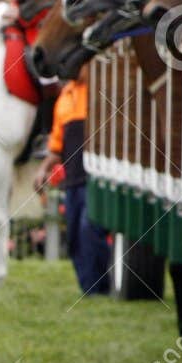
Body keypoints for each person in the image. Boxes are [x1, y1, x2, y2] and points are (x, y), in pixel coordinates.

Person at [36, 78, 109, 294]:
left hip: (95, 177)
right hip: (72, 180)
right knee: (75, 235)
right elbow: (56, 147)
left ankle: (101, 287)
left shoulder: (98, 89)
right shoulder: (64, 97)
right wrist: (42, 170)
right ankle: (88, 289)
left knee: (90, 228)